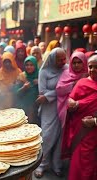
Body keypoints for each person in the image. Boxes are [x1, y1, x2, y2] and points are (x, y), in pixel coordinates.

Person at [61, 55, 97, 180]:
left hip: (94, 132)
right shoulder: (82, 82)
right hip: (80, 132)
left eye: (96, 67)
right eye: (90, 67)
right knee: (78, 161)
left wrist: (94, 121)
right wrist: (71, 104)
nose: (92, 70)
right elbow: (71, 99)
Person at [34, 48, 67, 178]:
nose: (63, 62)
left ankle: (56, 164)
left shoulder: (66, 69)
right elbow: (42, 92)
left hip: (63, 107)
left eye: (64, 59)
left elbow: (69, 86)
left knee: (60, 137)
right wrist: (58, 93)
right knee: (47, 136)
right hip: (48, 108)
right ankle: (42, 164)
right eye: (60, 59)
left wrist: (51, 94)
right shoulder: (44, 71)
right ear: (53, 59)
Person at [57, 51, 88, 128]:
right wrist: (74, 84)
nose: (76, 65)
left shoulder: (88, 74)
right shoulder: (66, 73)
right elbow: (59, 90)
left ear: (84, 62)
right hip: (67, 109)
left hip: (84, 109)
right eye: (74, 63)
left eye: (79, 62)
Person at [13, 56, 39, 124]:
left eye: (31, 65)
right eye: (27, 65)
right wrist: (23, 88)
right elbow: (16, 93)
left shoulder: (39, 76)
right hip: (23, 107)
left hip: (36, 107)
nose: (29, 67)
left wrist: (39, 83)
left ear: (35, 65)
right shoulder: (21, 76)